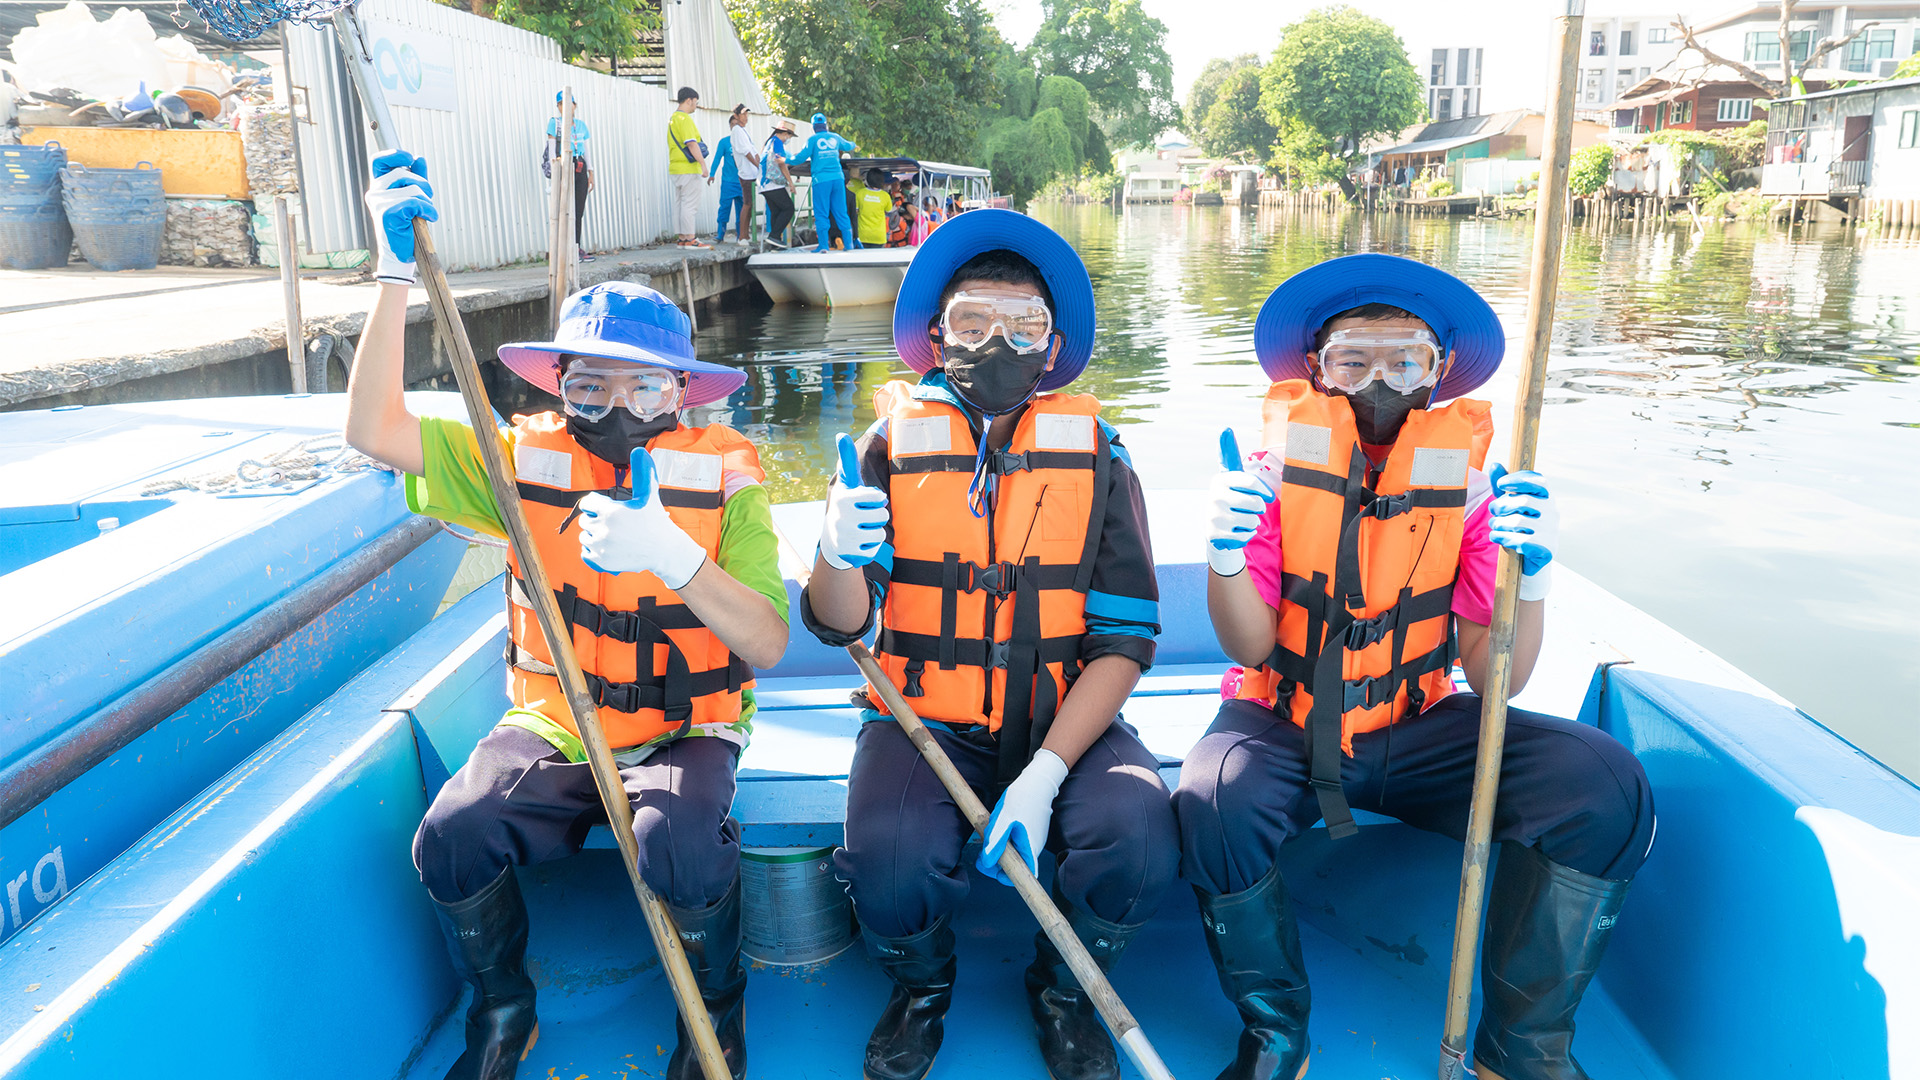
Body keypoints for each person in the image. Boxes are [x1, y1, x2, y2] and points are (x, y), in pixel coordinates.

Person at [349, 149, 789, 1080]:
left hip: (686, 725)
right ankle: (504, 1008)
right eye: (590, 386)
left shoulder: (727, 482)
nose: (617, 408)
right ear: (557, 388)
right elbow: (373, 431)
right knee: (455, 830)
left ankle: (716, 1011)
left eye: (646, 388)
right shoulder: (516, 460)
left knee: (680, 844)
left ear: (682, 394)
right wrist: (391, 280)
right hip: (556, 721)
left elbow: (765, 641)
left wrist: (672, 557)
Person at [1173, 253, 1655, 1080]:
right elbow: (1248, 647)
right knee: (1210, 800)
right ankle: (1277, 1033)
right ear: (1317, 371)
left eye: (1407, 360)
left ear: (1438, 373)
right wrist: (1222, 558)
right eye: (1352, 359)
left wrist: (1529, 576)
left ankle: (1525, 1048)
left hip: (1417, 723)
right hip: (1281, 718)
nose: (1380, 381)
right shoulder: (1269, 477)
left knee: (1605, 788)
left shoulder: (1470, 494)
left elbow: (1500, 677)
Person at [802, 209, 1176, 1080]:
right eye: (972, 322)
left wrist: (1046, 772)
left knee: (1142, 838)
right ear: (935, 337)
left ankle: (1063, 993)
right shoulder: (884, 449)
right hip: (922, 719)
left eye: (1023, 326)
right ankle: (922, 989)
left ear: (1053, 350)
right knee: (888, 867)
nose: (996, 342)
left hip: (1063, 722)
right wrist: (833, 550)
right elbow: (843, 624)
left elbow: (1124, 641)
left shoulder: (1103, 457)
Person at [795, 112, 857, 253]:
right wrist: (854, 144)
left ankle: (823, 246)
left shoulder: (812, 141)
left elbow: (800, 158)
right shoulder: (835, 137)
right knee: (841, 212)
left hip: (821, 180)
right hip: (837, 179)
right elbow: (848, 146)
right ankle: (849, 246)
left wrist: (786, 159)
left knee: (821, 213)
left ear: (813, 127)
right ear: (826, 126)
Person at [543, 91, 594, 263]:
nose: (565, 107)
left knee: (578, 210)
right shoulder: (555, 124)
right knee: (564, 209)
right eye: (561, 104)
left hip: (580, 166)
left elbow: (586, 150)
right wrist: (554, 170)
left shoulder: (581, 125)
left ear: (575, 105)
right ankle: (562, 249)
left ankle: (576, 246)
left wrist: (591, 172)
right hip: (564, 165)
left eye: (568, 103)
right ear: (558, 107)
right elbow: (551, 148)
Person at [707, 106, 758, 244]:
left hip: (741, 179)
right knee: (725, 207)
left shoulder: (743, 135)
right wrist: (712, 174)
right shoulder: (724, 142)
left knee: (743, 208)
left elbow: (752, 151)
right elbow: (717, 158)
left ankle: (740, 235)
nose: (736, 126)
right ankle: (720, 234)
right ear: (731, 125)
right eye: (733, 124)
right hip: (728, 181)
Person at [669, 87, 709, 249]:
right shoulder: (684, 119)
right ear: (689, 100)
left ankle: (682, 239)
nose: (695, 106)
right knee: (689, 204)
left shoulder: (673, 119)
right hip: (688, 168)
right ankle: (691, 239)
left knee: (680, 204)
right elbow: (691, 143)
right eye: (695, 102)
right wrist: (703, 164)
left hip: (675, 168)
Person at [759, 120, 798, 247]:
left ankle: (774, 244)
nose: (789, 139)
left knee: (776, 211)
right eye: (790, 136)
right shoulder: (777, 143)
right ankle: (774, 236)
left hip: (763, 184)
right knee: (788, 208)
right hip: (772, 183)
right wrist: (791, 183)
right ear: (785, 133)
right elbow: (781, 163)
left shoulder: (769, 142)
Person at [855, 167, 891, 248]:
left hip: (863, 235)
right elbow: (888, 211)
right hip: (879, 235)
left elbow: (856, 212)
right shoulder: (885, 196)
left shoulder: (859, 193)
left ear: (868, 179)